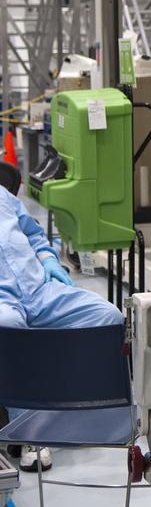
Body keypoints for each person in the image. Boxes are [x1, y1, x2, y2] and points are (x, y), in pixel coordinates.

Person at [0, 183, 123, 472]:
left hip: (40, 290)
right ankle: (31, 435)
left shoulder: (3, 196)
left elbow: (33, 234)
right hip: (4, 301)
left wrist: (49, 261)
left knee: (106, 317)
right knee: (11, 329)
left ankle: (88, 415)